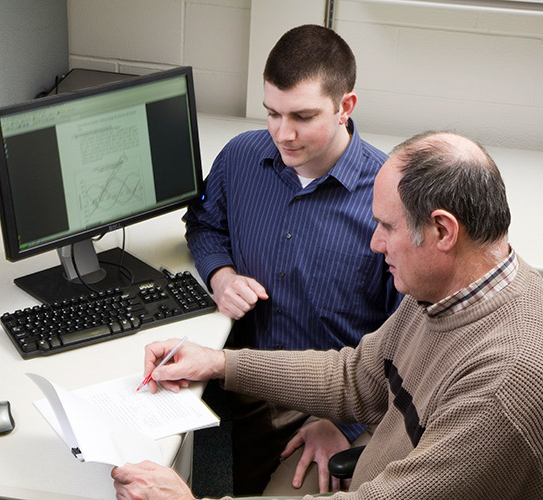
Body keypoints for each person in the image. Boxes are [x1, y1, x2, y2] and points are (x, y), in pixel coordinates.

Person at [112, 131, 543, 500]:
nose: (375, 243)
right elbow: (356, 377)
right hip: (386, 468)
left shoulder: (505, 385)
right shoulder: (451, 288)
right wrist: (220, 364)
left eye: (387, 227)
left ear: (442, 230)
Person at [183, 24, 401, 495]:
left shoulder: (389, 200)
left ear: (346, 107)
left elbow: (409, 339)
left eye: (302, 116)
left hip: (331, 402)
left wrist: (346, 425)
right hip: (248, 381)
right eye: (272, 114)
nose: (284, 134)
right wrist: (220, 275)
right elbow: (203, 224)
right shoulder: (242, 156)